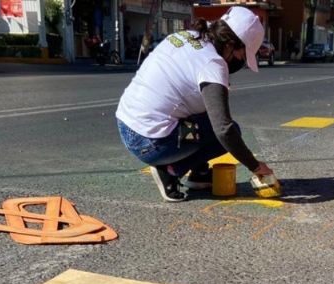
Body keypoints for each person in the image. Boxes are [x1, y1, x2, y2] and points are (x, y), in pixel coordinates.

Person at [115, 6, 274, 202]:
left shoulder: (186, 35)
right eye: (243, 56)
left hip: (126, 122)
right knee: (229, 132)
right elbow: (224, 129)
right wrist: (256, 166)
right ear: (232, 44)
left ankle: (199, 174)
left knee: (204, 113)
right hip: (150, 141)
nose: (241, 63)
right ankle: (171, 171)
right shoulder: (213, 64)